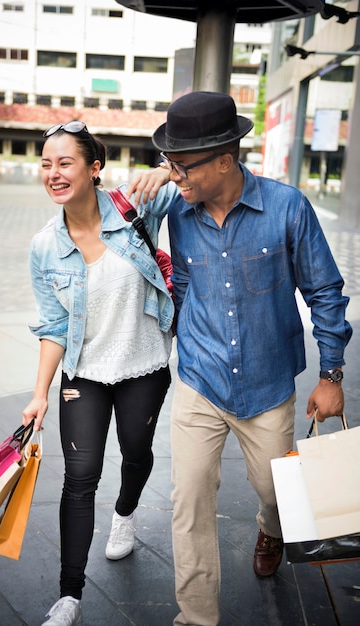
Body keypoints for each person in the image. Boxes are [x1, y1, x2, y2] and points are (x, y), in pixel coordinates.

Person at [146, 91, 352, 626]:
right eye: (170, 162)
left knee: (276, 492)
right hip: (199, 376)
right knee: (188, 501)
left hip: (266, 384)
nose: (175, 174)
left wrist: (331, 374)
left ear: (225, 158)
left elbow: (325, 291)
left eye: (182, 164)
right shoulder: (179, 209)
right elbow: (177, 273)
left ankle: (271, 526)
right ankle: (195, 618)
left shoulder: (287, 207)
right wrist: (151, 182)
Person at [21, 120, 175, 626]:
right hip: (83, 373)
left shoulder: (135, 206)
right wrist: (39, 393)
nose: (54, 173)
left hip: (143, 365)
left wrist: (167, 172)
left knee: (136, 452)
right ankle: (69, 596)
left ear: (94, 168)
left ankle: (126, 513)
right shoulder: (45, 246)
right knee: (79, 479)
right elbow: (54, 325)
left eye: (65, 162)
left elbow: (194, 184)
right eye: (46, 163)